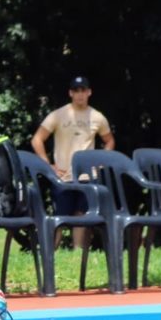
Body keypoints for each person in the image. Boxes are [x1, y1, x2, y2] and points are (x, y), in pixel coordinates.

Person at [30, 75, 115, 249]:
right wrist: (48, 165)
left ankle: (77, 253)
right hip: (63, 175)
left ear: (89, 92)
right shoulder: (58, 115)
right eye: (76, 91)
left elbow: (109, 141)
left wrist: (101, 163)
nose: (80, 94)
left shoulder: (97, 117)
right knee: (60, 214)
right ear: (70, 93)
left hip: (86, 176)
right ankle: (50, 252)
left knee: (81, 215)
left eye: (83, 90)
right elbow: (37, 139)